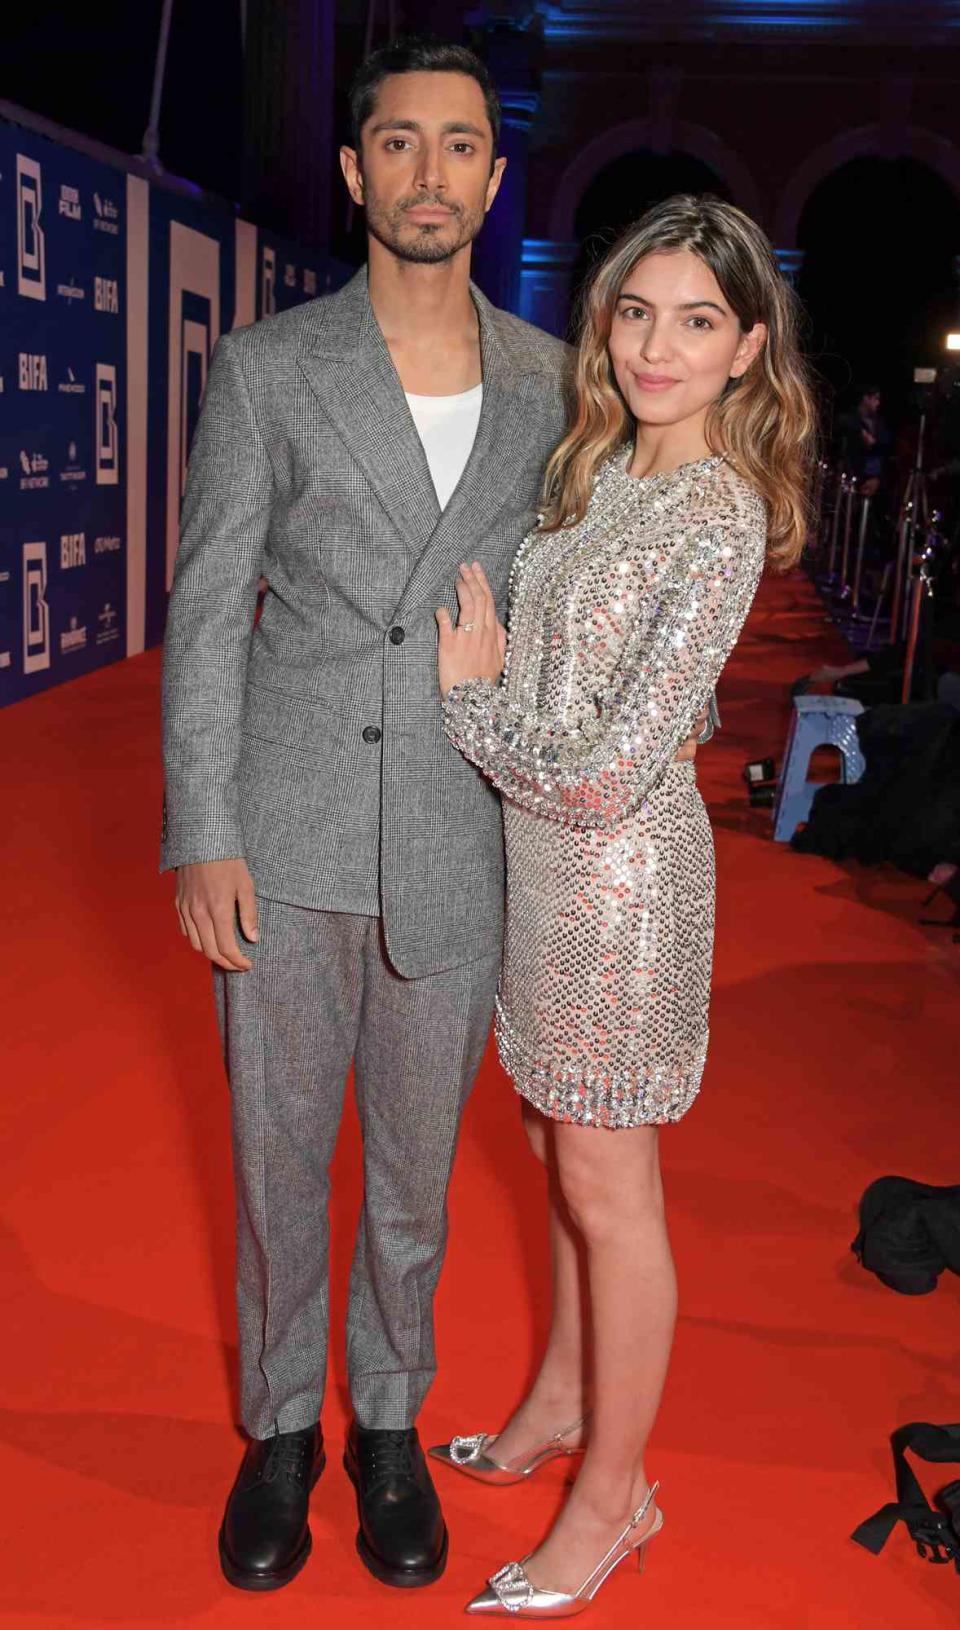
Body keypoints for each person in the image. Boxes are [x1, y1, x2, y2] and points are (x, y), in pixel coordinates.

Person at [160, 37, 574, 1594]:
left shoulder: (550, 381)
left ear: (491, 172)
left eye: (458, 146)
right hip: (287, 816)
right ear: (355, 172)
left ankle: (387, 1420)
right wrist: (202, 823)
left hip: (459, 823)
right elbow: (208, 609)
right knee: (277, 1160)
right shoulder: (272, 367)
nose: (428, 174)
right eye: (396, 144)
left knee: (412, 1167)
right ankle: (279, 1428)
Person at [430, 194, 816, 1616]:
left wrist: (474, 702)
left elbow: (601, 770)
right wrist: (510, 678)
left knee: (611, 1188)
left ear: (747, 348)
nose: (657, 345)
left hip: (619, 886)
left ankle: (612, 1499)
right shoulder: (605, 474)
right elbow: (572, 696)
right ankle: (554, 1407)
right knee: (558, 1155)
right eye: (636, 310)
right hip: (548, 874)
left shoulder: (715, 511)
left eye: (696, 320)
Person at [836, 384, 890, 497]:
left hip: (874, 477)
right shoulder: (852, 420)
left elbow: (883, 448)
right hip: (854, 476)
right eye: (875, 399)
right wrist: (860, 432)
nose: (878, 403)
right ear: (866, 398)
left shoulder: (879, 423)